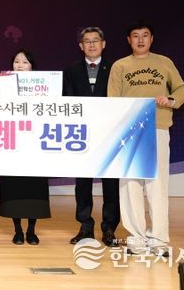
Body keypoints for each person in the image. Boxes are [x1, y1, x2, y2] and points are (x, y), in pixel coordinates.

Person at [108, 21, 184, 257]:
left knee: (157, 184)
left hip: (158, 127)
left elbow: (181, 88)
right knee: (130, 184)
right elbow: (112, 100)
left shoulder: (164, 62)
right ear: (129, 40)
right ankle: (136, 237)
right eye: (135, 36)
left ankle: (159, 239)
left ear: (151, 39)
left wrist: (170, 100)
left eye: (145, 35)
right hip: (130, 131)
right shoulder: (120, 65)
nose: (140, 40)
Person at [63, 26, 120, 247]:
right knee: (82, 184)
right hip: (82, 135)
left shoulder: (116, 69)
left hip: (110, 135)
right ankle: (85, 226)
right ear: (81, 46)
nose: (92, 44)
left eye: (96, 40)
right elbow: (67, 101)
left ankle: (109, 228)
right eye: (87, 41)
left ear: (103, 44)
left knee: (111, 184)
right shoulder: (71, 71)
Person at [0, 50, 50, 245]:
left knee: (34, 188)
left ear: (32, 67)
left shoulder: (45, 88)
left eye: (25, 62)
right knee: (14, 189)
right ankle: (18, 230)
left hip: (36, 144)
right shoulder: (3, 87)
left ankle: (31, 230)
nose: (20, 65)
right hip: (12, 143)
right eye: (16, 61)